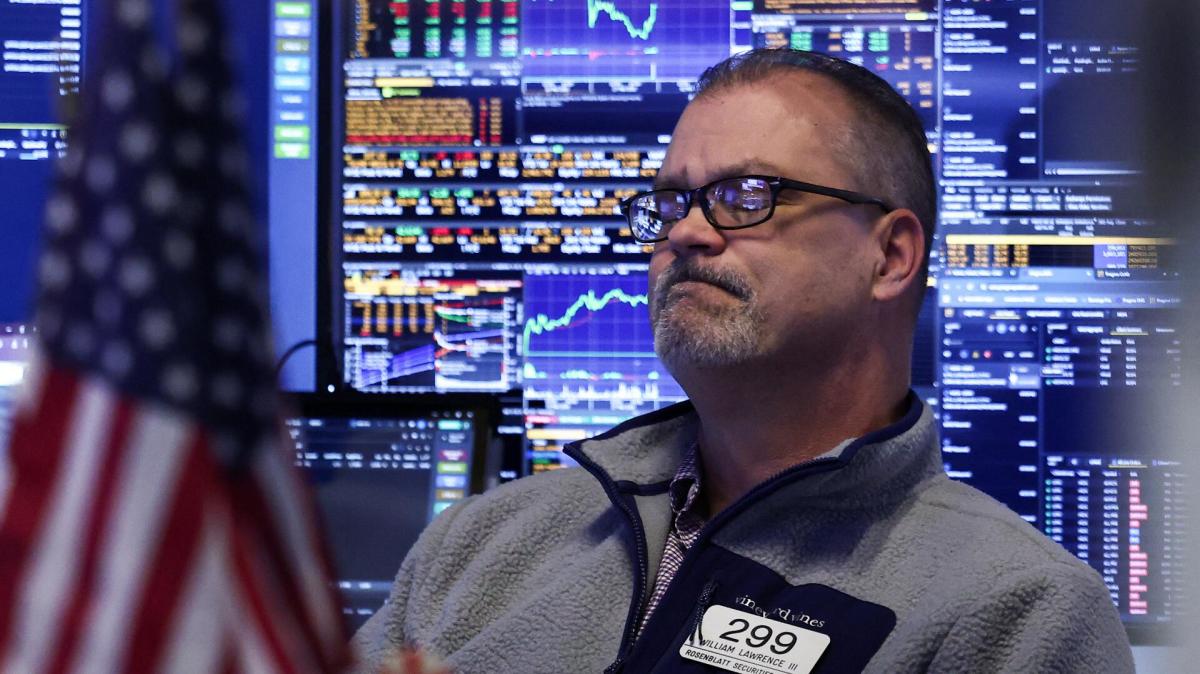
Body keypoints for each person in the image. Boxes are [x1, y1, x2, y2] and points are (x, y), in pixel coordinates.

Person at [354, 49, 1134, 673]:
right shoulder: (479, 544)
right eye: (671, 203)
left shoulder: (1015, 609)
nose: (687, 234)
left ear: (891, 256)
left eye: (748, 195)